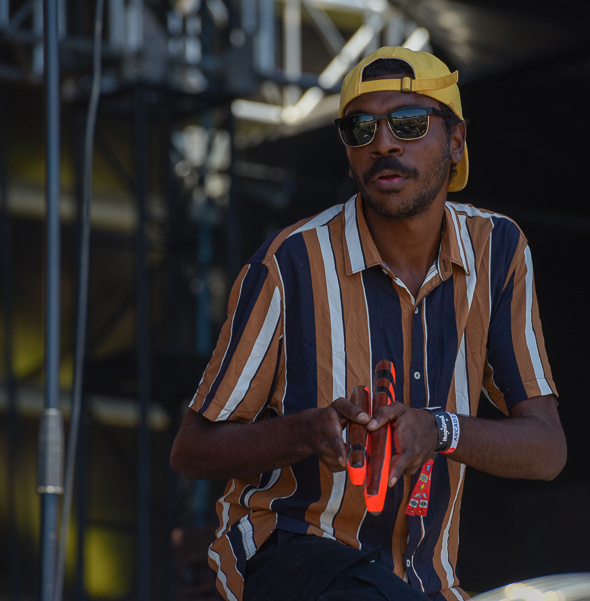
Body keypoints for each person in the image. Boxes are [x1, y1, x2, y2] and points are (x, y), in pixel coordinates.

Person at [171, 46, 566, 601]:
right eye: (361, 129)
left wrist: (439, 429)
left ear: (456, 141)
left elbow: (546, 449)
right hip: (291, 550)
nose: (383, 143)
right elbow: (192, 450)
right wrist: (305, 432)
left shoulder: (498, 249)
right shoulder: (291, 263)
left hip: (422, 581)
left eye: (408, 123)